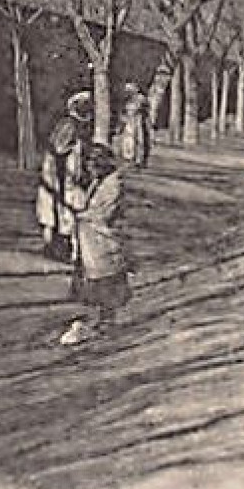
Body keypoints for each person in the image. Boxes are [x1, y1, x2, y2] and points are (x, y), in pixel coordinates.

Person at [58, 144, 130, 346]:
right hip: (91, 241)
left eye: (94, 163)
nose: (90, 168)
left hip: (102, 240)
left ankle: (107, 320)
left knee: (106, 279)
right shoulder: (99, 182)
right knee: (94, 278)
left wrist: (82, 216)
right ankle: (98, 318)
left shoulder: (113, 184)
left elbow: (103, 213)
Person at [36, 91, 93, 263]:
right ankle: (59, 248)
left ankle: (64, 248)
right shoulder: (69, 126)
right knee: (64, 209)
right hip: (60, 175)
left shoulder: (73, 126)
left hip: (63, 175)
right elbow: (60, 149)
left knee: (64, 210)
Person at [115, 82, 149, 168]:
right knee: (128, 140)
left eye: (130, 90)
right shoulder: (126, 100)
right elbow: (123, 111)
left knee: (139, 140)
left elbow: (143, 110)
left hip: (138, 121)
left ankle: (139, 159)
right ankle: (129, 158)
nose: (128, 92)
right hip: (129, 122)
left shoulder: (141, 98)